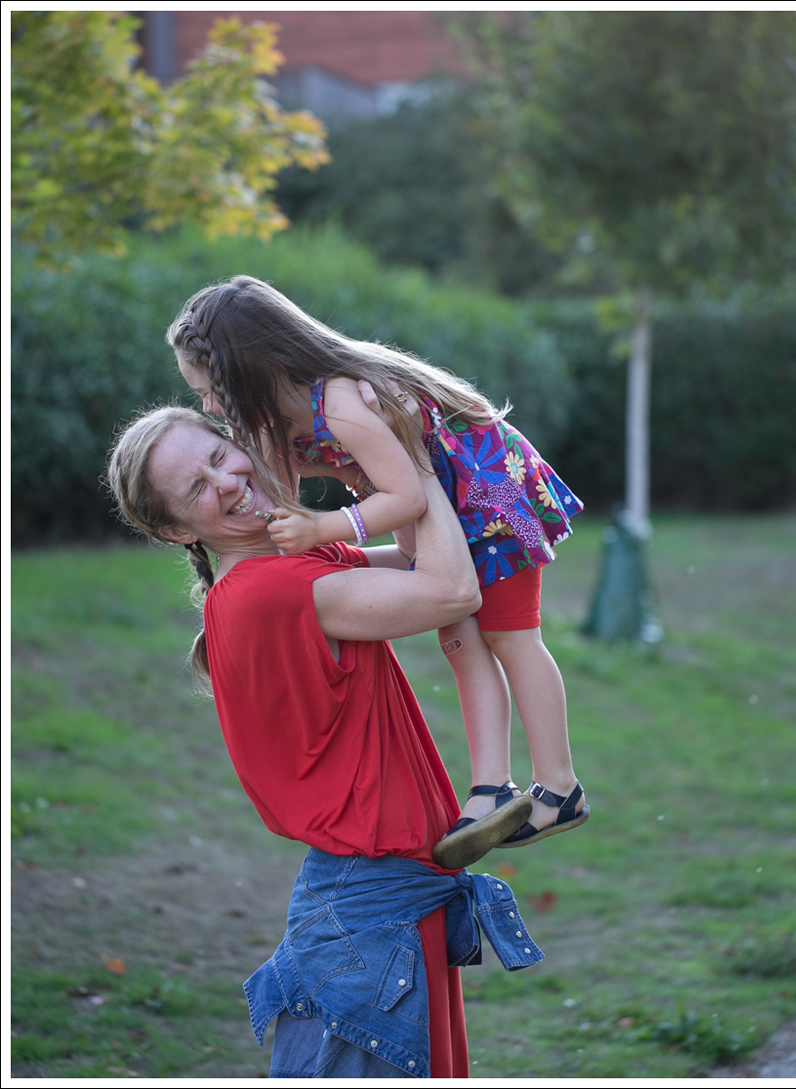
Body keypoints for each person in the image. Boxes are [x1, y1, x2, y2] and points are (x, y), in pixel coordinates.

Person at [106, 406, 544, 1079]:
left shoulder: (294, 562)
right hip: (371, 911)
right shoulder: (269, 591)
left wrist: (363, 470)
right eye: (196, 488)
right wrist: (411, 463)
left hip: (381, 899)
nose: (225, 480)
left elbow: (416, 556)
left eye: (220, 455)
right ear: (174, 529)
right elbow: (452, 589)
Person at [168, 275, 589, 869]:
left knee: (511, 637)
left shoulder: (340, 400)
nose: (208, 405)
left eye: (210, 390)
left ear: (247, 367)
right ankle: (491, 789)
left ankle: (560, 786)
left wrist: (322, 529)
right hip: (448, 504)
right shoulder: (283, 414)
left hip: (487, 492)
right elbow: (286, 494)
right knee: (460, 639)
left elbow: (405, 499)